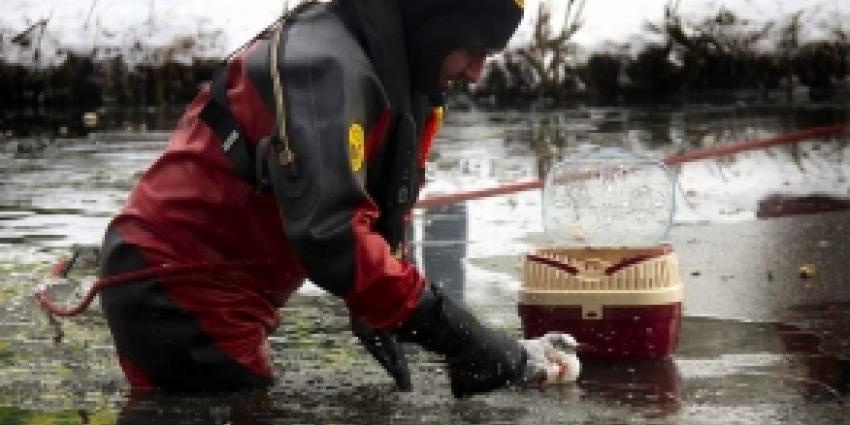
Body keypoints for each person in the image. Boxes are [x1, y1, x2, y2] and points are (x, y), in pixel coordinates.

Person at [97, 0, 579, 398]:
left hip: (217, 293)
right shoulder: (326, 68)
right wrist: (462, 336)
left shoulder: (389, 67)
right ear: (434, 24)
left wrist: (385, 306)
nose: (476, 72)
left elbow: (373, 213)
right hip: (171, 291)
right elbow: (331, 234)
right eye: (473, 48)